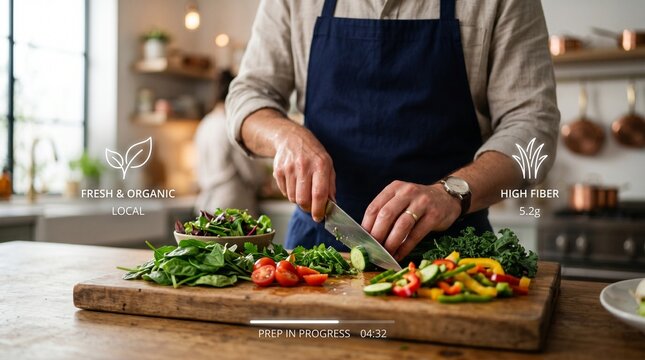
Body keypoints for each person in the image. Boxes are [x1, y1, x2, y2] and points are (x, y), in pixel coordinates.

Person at [226, 0, 559, 261]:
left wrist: (452, 193)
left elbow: (532, 123)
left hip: (455, 256)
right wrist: (287, 136)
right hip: (320, 249)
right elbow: (247, 96)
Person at [194, 70, 265, 215]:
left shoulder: (204, 124)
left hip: (205, 202)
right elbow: (250, 171)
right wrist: (262, 177)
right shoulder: (230, 126)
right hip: (231, 202)